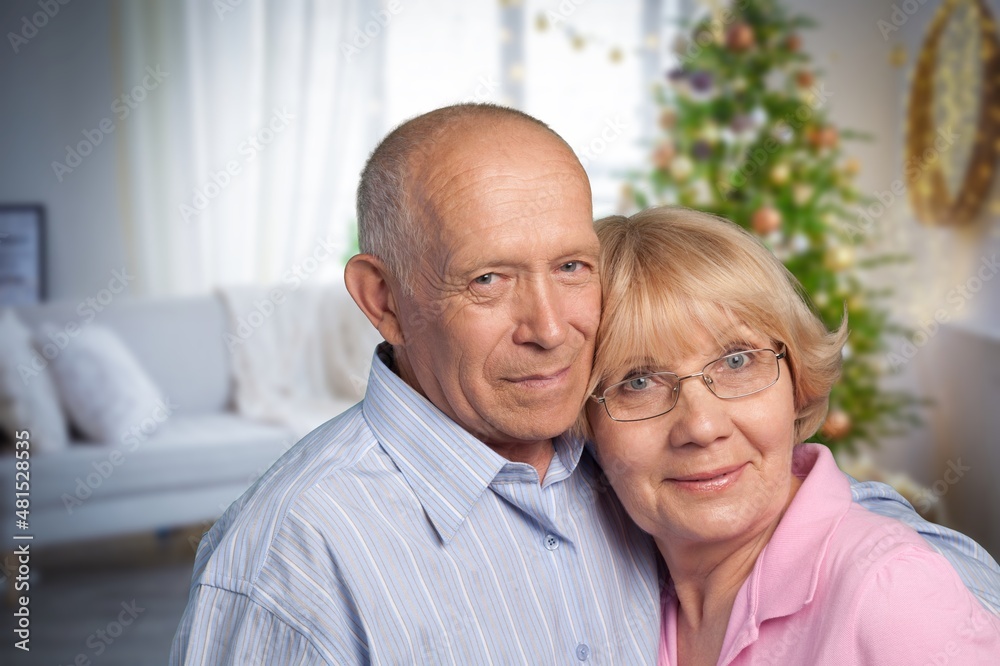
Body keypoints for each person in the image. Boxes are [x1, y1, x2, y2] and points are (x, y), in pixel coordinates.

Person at [170, 104, 1000, 665]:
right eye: (489, 279)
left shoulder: (590, 449)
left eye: (571, 267)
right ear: (383, 300)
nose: (549, 326)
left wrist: (921, 577)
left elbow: (801, 508)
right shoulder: (293, 558)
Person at [584, 206, 1000, 665]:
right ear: (585, 423)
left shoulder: (891, 592)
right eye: (638, 382)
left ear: (797, 380)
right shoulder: (618, 602)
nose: (701, 427)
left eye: (737, 360)